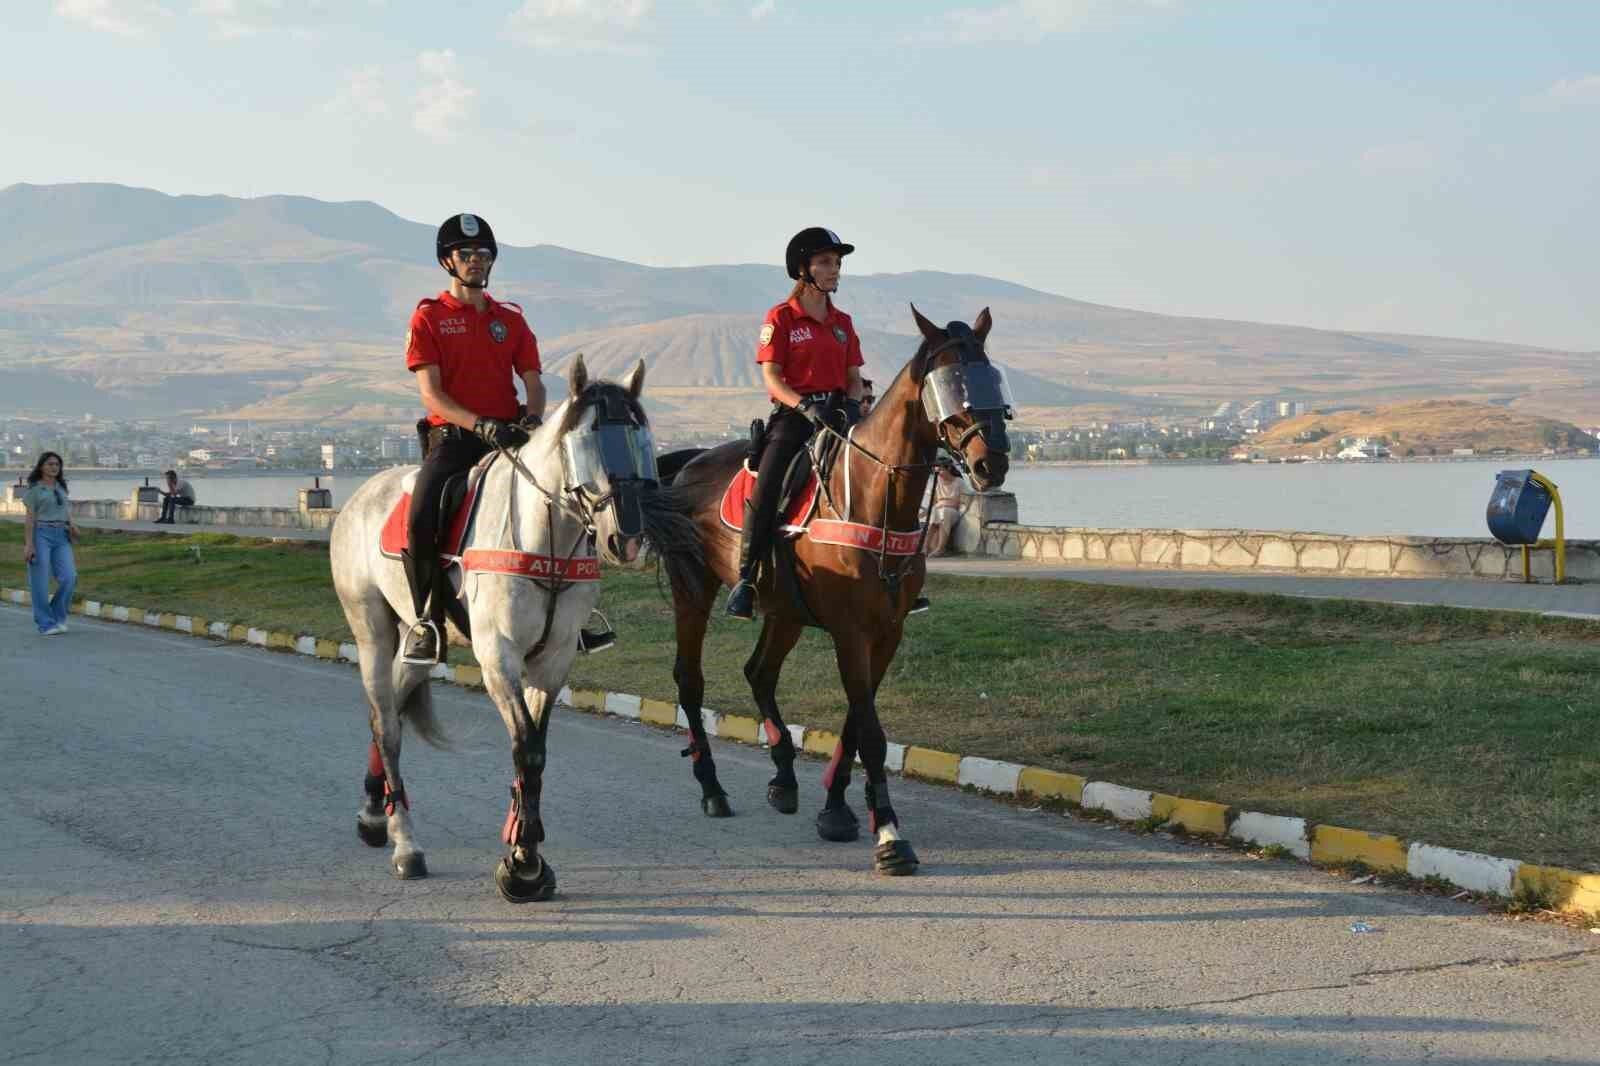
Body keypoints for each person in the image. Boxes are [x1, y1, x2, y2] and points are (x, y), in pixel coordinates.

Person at [726, 227, 869, 620]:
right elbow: (772, 377)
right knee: (768, 486)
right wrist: (805, 407)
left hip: (840, 415)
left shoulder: (843, 322)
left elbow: (854, 375)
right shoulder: (782, 317)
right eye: (825, 261)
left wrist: (853, 406)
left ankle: (895, 574)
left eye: (837, 262)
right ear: (803, 268)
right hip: (795, 417)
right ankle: (747, 578)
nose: (834, 269)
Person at [20, 451, 79, 636]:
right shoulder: (35, 490)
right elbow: (30, 518)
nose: (54, 467)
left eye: (57, 464)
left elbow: (65, 508)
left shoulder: (61, 486)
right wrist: (29, 544)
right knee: (40, 581)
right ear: (41, 467)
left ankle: (58, 616)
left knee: (70, 577)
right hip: (41, 534)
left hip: (61, 535)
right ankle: (45, 623)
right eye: (50, 464)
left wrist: (72, 524)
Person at [924, 461, 965, 557]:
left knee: (945, 512)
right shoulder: (936, 481)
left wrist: (948, 503)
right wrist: (924, 513)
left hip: (952, 512)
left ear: (948, 469)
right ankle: (925, 547)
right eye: (936, 472)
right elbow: (933, 502)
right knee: (935, 514)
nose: (938, 474)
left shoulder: (959, 482)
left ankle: (940, 549)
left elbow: (965, 500)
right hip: (940, 511)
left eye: (940, 471)